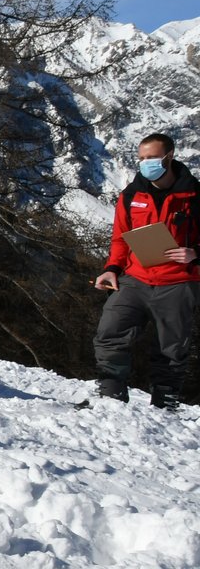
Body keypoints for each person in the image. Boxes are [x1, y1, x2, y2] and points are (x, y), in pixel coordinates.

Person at [90, 132, 199, 409]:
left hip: (179, 282)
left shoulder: (195, 196)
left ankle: (165, 404)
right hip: (135, 278)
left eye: (151, 158)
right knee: (110, 330)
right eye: (141, 159)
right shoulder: (130, 195)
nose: (145, 163)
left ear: (169, 156)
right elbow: (120, 238)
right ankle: (110, 394)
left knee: (171, 347)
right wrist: (112, 269)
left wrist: (195, 253)